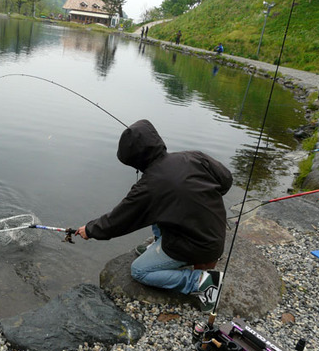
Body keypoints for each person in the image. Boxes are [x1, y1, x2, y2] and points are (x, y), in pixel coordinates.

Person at [75, 120, 233, 313]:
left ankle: (202, 282)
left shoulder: (149, 187)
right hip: (215, 233)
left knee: (139, 271)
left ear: (134, 159)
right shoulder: (192, 156)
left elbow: (120, 219)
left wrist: (90, 230)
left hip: (197, 246)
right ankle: (159, 245)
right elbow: (226, 179)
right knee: (163, 207)